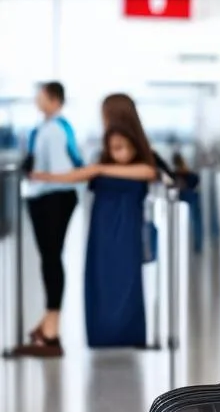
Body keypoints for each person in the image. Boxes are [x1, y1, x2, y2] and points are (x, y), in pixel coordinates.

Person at [34, 115, 159, 348]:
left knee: (128, 283)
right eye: (113, 148)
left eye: (122, 148)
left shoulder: (138, 167)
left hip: (127, 233)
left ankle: (129, 334)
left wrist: (100, 169)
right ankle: (102, 335)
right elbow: (72, 176)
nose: (117, 153)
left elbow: (149, 173)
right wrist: (45, 176)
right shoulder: (98, 168)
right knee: (101, 282)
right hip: (102, 234)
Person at [7, 81, 82, 358]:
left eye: (40, 96)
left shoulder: (53, 130)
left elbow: (60, 171)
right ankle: (47, 323)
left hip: (53, 198)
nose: (36, 100)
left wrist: (38, 175)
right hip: (51, 197)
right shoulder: (52, 127)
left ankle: (52, 329)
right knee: (50, 258)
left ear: (53, 99)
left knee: (51, 258)